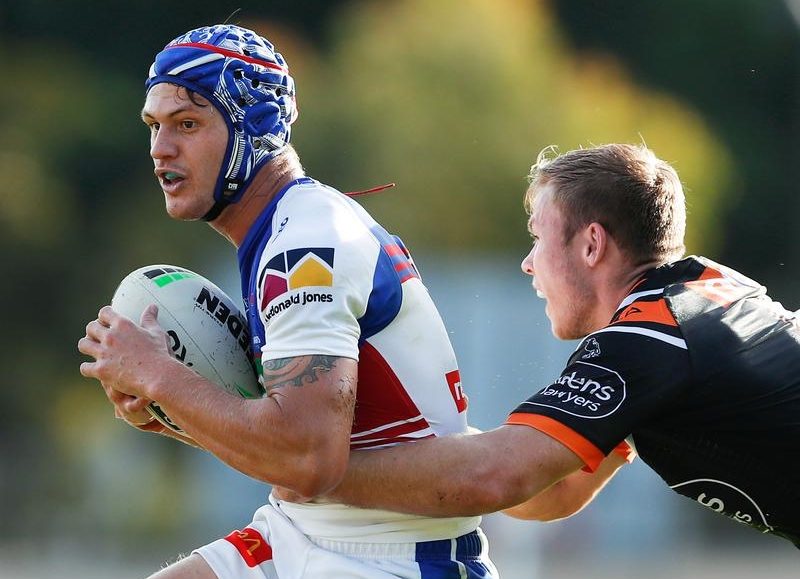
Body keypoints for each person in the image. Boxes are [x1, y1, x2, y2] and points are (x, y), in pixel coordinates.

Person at [78, 24, 498, 578]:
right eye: (154, 126)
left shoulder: (303, 247)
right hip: (311, 526)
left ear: (253, 129)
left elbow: (307, 457)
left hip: (390, 554)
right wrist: (173, 414)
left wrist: (158, 375)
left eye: (187, 124)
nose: (160, 149)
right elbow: (295, 450)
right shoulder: (286, 229)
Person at [307, 143, 800, 548]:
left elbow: (495, 477)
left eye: (537, 238)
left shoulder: (646, 340)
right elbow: (555, 490)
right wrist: (427, 440)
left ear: (591, 244)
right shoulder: (706, 291)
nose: (528, 263)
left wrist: (316, 473)